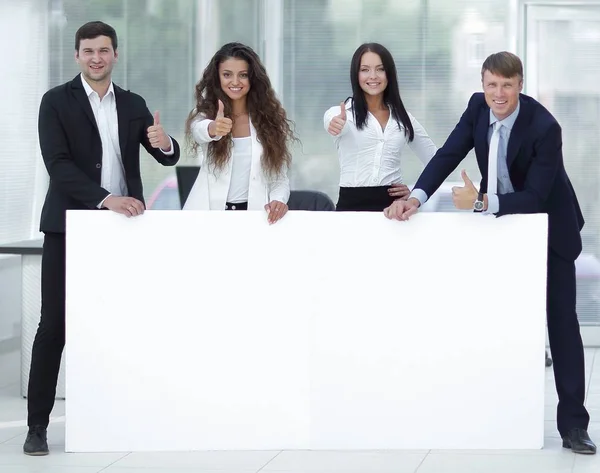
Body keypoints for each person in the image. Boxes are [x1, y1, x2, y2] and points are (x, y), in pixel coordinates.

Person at [384, 51, 596, 455]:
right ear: (483, 85)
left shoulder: (545, 127)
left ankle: (574, 425)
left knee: (562, 323)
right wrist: (416, 196)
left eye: (507, 85)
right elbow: (449, 153)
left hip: (549, 227)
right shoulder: (477, 108)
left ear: (520, 85)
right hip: (501, 227)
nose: (498, 94)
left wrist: (480, 202)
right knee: (494, 314)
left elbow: (534, 196)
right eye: (491, 85)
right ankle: (493, 410)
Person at [24, 21, 180, 456]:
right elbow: (58, 164)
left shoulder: (132, 103)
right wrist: (106, 198)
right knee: (54, 323)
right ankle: (37, 426)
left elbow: (165, 157)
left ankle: (119, 418)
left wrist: (165, 143)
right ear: (77, 55)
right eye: (88, 51)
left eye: (104, 50)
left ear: (116, 54)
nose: (96, 58)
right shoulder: (55, 101)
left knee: (120, 321)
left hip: (122, 228)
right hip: (68, 224)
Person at [183, 42, 296, 224]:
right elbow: (199, 130)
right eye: (227, 75)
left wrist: (279, 200)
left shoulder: (270, 122)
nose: (235, 82)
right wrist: (213, 128)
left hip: (254, 217)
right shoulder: (207, 116)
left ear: (253, 78)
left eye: (243, 75)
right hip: (210, 217)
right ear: (217, 77)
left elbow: (279, 179)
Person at [323, 43, 437, 212]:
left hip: (394, 210)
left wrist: (415, 194)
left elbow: (436, 161)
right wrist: (335, 124)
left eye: (380, 69)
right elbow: (332, 122)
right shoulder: (342, 114)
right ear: (356, 74)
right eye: (365, 70)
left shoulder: (404, 118)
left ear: (388, 73)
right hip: (351, 208)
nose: (373, 76)